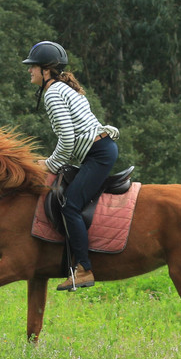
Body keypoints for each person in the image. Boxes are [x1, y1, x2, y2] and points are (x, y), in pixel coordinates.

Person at [22, 41, 120, 290]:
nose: (29, 71)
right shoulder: (61, 88)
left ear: (46, 70)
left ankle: (84, 269)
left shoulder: (53, 94)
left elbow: (67, 139)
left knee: (71, 206)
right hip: (98, 150)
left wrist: (51, 164)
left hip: (97, 154)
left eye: (32, 67)